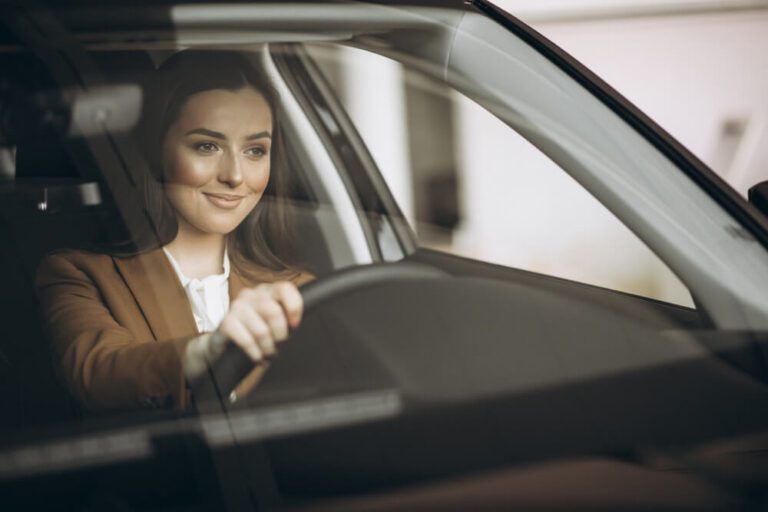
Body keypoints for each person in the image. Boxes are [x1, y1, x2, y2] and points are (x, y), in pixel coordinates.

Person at [35, 50, 312, 412]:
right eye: (207, 146)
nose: (235, 175)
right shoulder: (78, 274)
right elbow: (99, 373)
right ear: (156, 151)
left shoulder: (299, 290)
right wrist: (209, 352)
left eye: (256, 150)